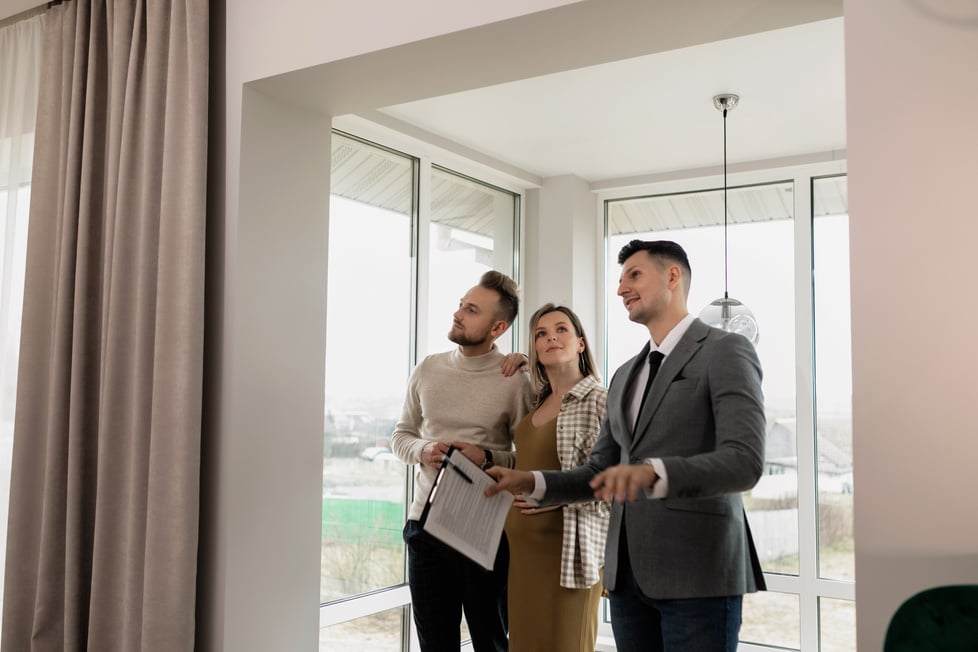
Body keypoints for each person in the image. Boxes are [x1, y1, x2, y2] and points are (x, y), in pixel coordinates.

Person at [487, 240, 766, 652]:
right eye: (619, 279)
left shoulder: (725, 351)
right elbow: (598, 472)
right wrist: (529, 479)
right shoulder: (624, 374)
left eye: (634, 275)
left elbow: (744, 461)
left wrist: (654, 472)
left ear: (673, 277)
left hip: (698, 574)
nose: (621, 289)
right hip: (627, 580)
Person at [390, 270, 535, 652]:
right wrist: (425, 450)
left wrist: (486, 456)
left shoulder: (515, 379)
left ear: (497, 327)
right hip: (425, 526)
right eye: (460, 304)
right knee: (435, 645)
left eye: (471, 310)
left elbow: (530, 459)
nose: (458, 314)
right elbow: (400, 436)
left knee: (491, 642)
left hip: (484, 531)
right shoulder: (428, 368)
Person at [504, 303, 609, 652]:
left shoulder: (599, 401)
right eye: (541, 334)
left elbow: (612, 482)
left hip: (570, 555)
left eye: (561, 329)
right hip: (522, 556)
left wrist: (556, 497)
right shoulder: (535, 403)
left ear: (581, 343)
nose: (551, 337)